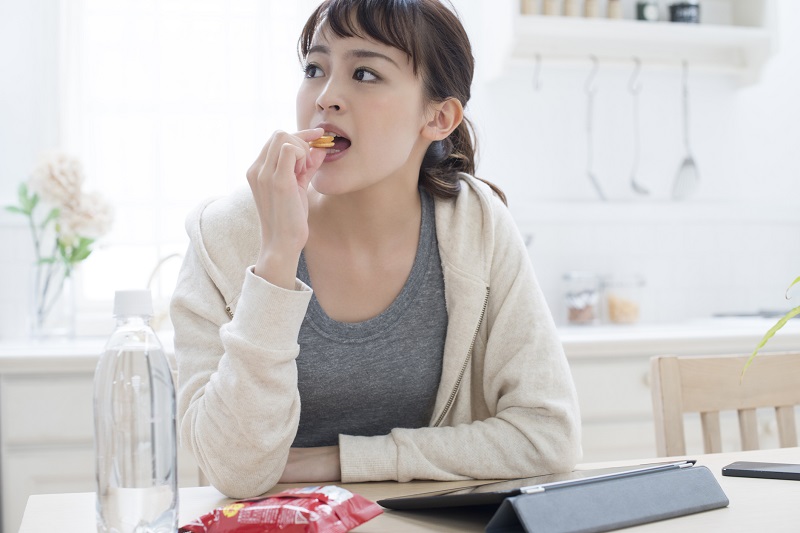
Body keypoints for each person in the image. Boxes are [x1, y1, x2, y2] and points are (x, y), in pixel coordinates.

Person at [171, 0, 581, 499]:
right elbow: (235, 470)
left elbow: (548, 436)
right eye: (314, 68)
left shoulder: (477, 226)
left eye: (364, 73)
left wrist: (344, 460)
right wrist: (277, 259)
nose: (326, 97)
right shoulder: (221, 236)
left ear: (439, 117)